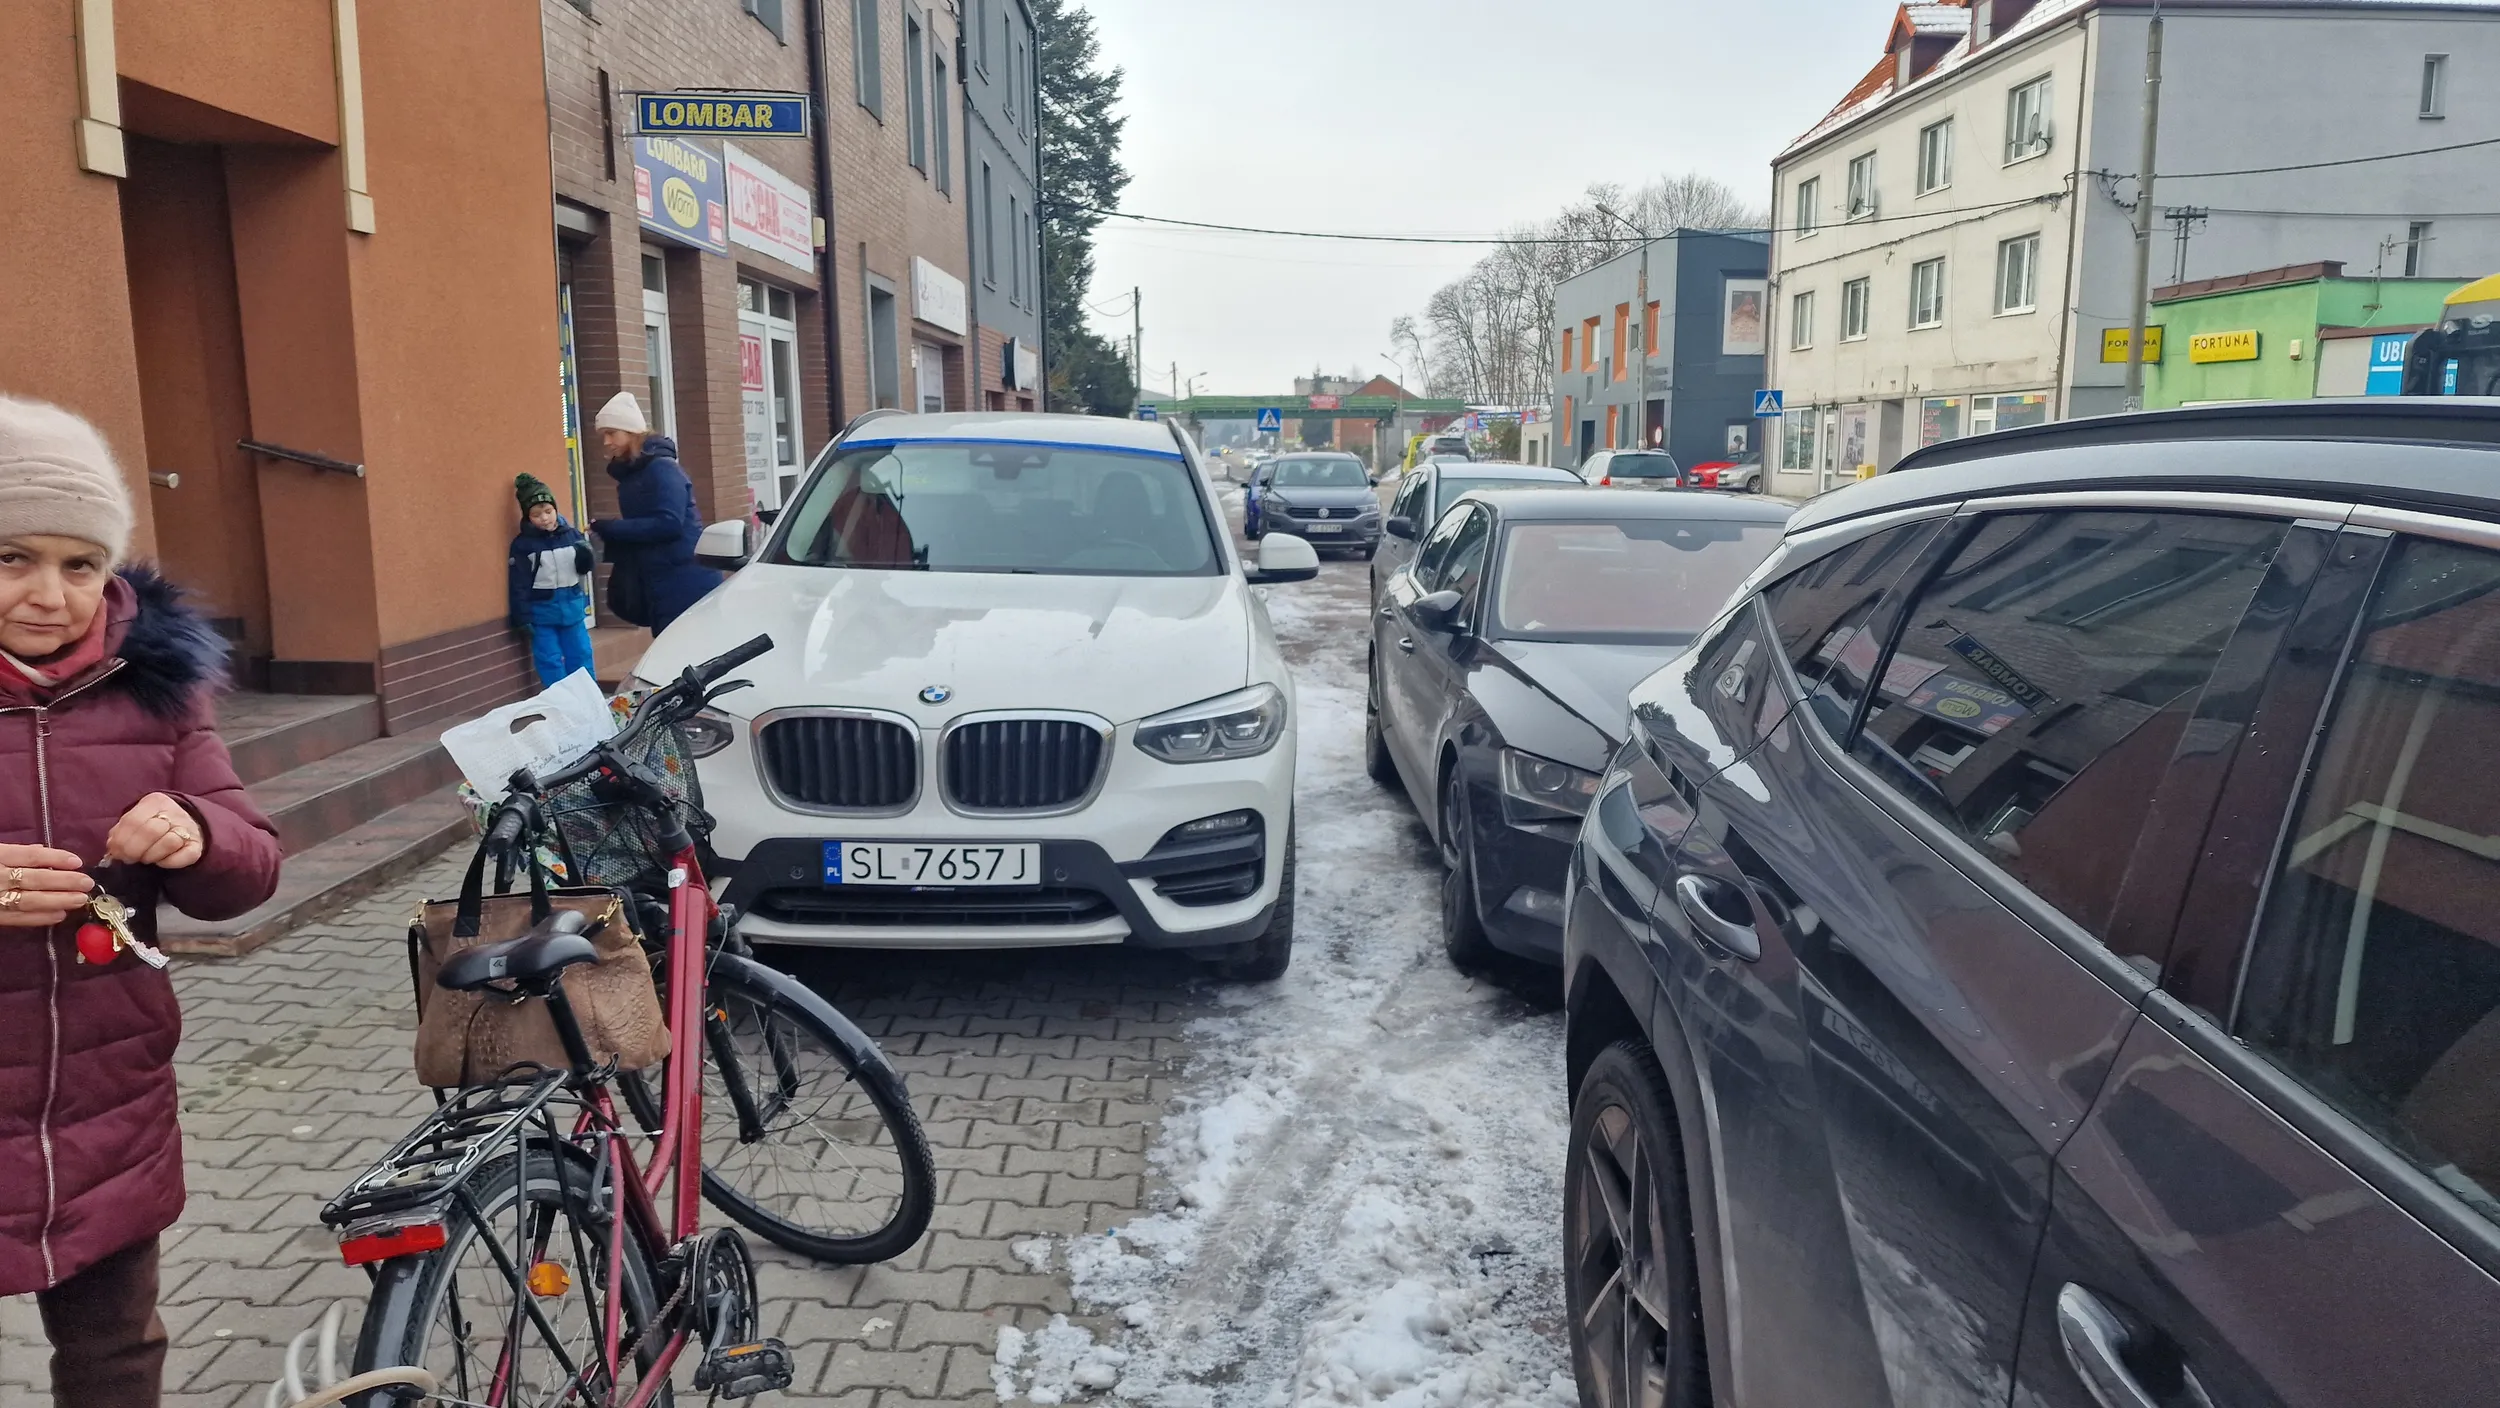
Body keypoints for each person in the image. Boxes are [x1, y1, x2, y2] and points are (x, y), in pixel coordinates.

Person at [0, 394, 283, 1408]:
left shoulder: (158, 691)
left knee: (116, 1354)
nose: (50, 594)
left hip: (103, 1089)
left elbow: (252, 864)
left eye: (79, 564)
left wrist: (198, 834)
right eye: (11, 558)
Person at [587, 392, 720, 634]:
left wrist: (612, 529)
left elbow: (668, 523)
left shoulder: (661, 469)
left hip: (684, 581)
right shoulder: (635, 472)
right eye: (603, 435)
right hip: (662, 578)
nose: (606, 442)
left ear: (631, 432)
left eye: (611, 433)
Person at [507, 472, 596, 687]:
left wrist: (587, 557)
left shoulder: (572, 535)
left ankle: (588, 698)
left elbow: (583, 570)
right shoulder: (523, 545)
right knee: (550, 660)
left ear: (556, 509)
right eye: (537, 514)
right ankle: (561, 701)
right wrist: (522, 617)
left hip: (572, 608)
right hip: (542, 613)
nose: (545, 518)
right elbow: (518, 583)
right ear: (528, 517)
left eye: (548, 511)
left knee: (581, 655)